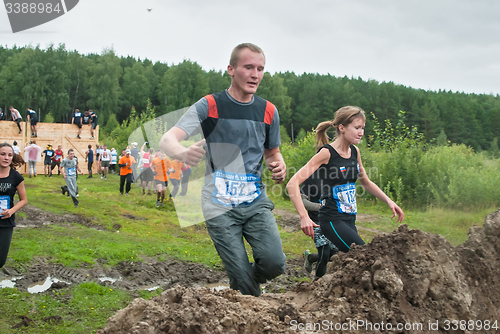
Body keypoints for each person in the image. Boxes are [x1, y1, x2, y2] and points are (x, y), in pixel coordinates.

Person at [159, 43, 287, 297]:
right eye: (248, 67)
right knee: (243, 280)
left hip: (254, 201)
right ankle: (247, 300)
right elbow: (167, 140)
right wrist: (184, 153)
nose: (255, 74)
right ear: (231, 69)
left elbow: (272, 152)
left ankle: (240, 286)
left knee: (275, 264)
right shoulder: (210, 105)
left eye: (260, 69)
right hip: (219, 205)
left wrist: (279, 164)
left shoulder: (268, 110)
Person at [286, 106, 405, 257]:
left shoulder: (354, 151)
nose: (361, 132)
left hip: (349, 218)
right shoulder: (327, 153)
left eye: (362, 128)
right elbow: (292, 183)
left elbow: (366, 182)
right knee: (364, 256)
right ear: (342, 128)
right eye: (357, 127)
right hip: (331, 220)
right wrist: (304, 217)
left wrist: (389, 201)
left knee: (350, 262)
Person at [300, 172, 339, 278]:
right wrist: (321, 207)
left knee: (336, 255)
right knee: (325, 254)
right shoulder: (309, 178)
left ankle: (310, 258)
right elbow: (302, 201)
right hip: (316, 221)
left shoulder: (336, 177)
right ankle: (317, 285)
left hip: (334, 222)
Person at [0, 143, 28, 268]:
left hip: (6, 222)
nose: (6, 158)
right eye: (3, 154)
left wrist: (11, 211)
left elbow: (24, 200)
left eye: (9, 155)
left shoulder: (16, 177)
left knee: (1, 260)